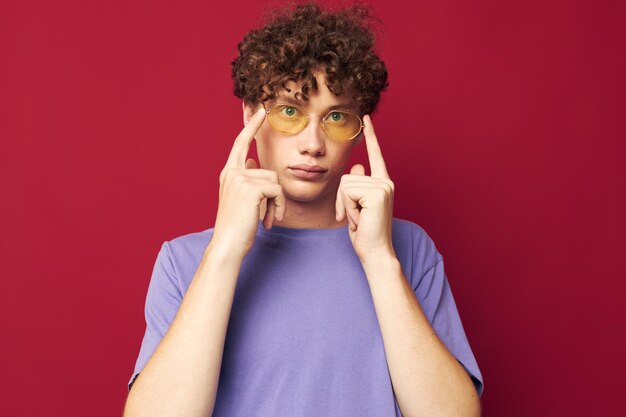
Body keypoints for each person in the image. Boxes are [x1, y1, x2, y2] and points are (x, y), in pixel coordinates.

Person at [124, 2, 484, 416]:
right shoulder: (184, 260)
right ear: (250, 116)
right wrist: (224, 253)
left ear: (361, 129)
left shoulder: (407, 249)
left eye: (336, 116)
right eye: (290, 112)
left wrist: (381, 260)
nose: (312, 144)